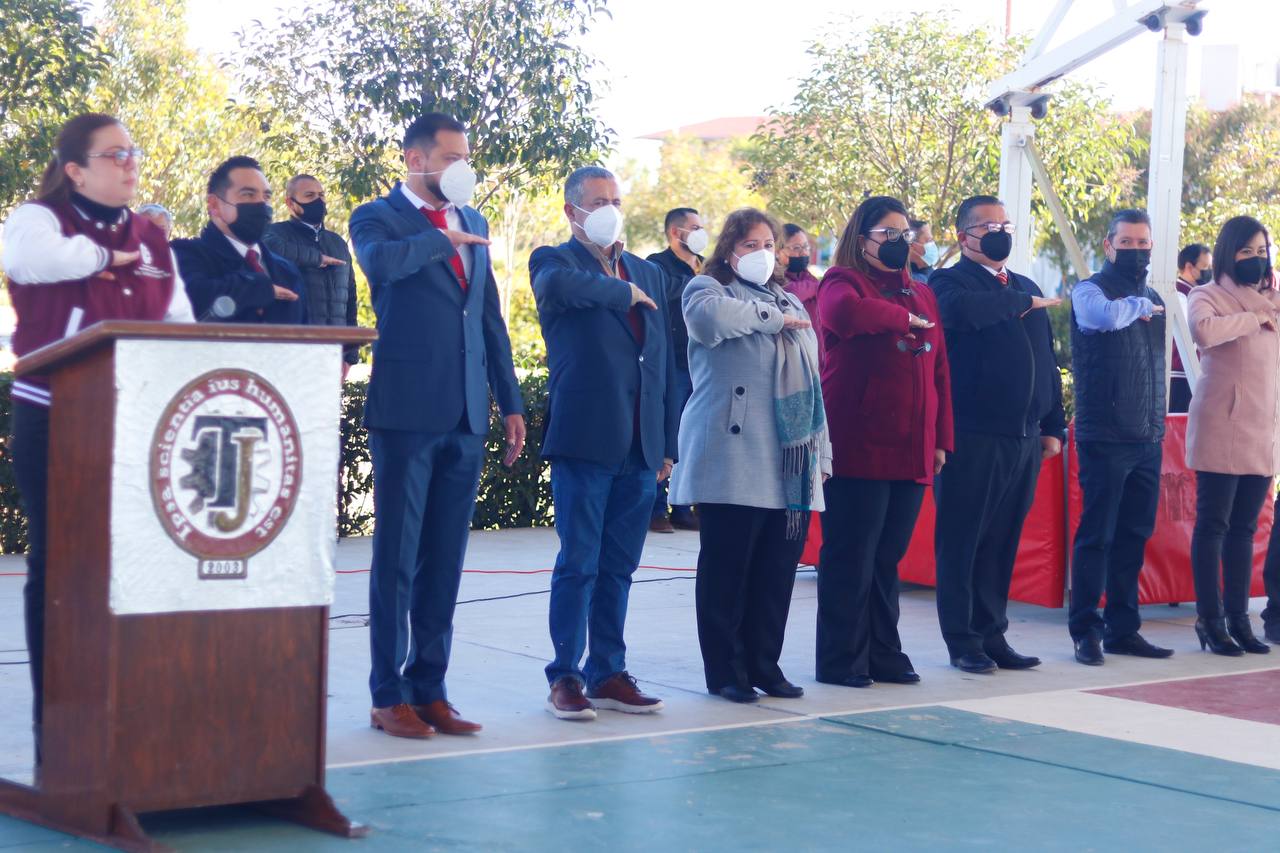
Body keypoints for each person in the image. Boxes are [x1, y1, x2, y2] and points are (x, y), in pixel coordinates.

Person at [2, 112, 194, 759]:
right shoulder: (38, 219)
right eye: (114, 154)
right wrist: (108, 256)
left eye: (132, 152)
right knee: (58, 567)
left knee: (135, 566)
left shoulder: (154, 237)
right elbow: (31, 262)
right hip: (54, 414)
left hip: (137, 420)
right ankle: (54, 723)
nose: (130, 162)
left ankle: (128, 713)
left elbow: (182, 322)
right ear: (76, 169)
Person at [349, 113, 526, 738]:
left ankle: (431, 688)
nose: (460, 167)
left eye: (464, 155)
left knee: (446, 558)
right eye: (448, 156)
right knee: (396, 558)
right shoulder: (375, 217)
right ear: (413, 159)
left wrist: (509, 400)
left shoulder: (473, 220)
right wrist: (438, 242)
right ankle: (386, 693)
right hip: (405, 408)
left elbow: (488, 317)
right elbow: (380, 267)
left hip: (465, 413)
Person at [529, 165, 679, 720]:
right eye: (597, 200)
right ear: (573, 211)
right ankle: (564, 676)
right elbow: (557, 288)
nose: (610, 208)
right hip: (587, 438)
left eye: (615, 198)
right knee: (579, 563)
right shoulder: (554, 260)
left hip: (641, 445)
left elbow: (663, 361)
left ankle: (607, 671)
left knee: (620, 565)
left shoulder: (646, 270)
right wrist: (622, 291)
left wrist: (666, 441)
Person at [669, 208, 830, 703]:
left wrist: (820, 452)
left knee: (776, 570)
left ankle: (765, 664)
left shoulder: (785, 296)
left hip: (790, 461)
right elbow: (709, 322)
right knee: (726, 569)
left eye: (768, 245)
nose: (761, 254)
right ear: (728, 250)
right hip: (733, 454)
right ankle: (725, 671)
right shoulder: (707, 289)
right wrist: (772, 319)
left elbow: (813, 383)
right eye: (749, 245)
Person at [815, 195, 953, 688]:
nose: (899, 242)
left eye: (904, 234)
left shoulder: (922, 292)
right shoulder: (841, 282)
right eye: (887, 234)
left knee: (886, 558)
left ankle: (882, 652)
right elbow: (845, 317)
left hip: (912, 446)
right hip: (860, 443)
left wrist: (941, 440)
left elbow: (939, 370)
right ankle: (840, 658)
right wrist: (900, 320)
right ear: (862, 238)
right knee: (851, 554)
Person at [930, 196, 1065, 674]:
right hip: (973, 433)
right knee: (964, 538)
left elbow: (1047, 360)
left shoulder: (1026, 285)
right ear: (963, 234)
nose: (999, 232)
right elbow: (962, 313)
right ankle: (962, 639)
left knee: (1003, 540)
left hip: (1025, 436)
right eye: (987, 225)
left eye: (1005, 223)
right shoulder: (948, 282)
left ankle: (993, 633)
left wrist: (1053, 425)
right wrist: (1020, 303)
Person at [1068, 209, 1173, 665]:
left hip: (1147, 436)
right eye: (1127, 243)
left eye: (1142, 243)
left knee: (1134, 535)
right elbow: (1106, 319)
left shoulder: (1152, 295)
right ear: (1108, 246)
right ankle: (1085, 629)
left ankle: (1123, 628)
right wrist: (1140, 307)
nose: (1136, 251)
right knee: (1097, 536)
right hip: (1105, 436)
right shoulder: (1089, 291)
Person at [1185, 216, 1280, 656]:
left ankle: (1241, 620)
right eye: (1246, 252)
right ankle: (1210, 619)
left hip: (1263, 429)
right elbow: (1204, 331)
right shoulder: (1207, 294)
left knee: (1245, 529)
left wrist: (1268, 306)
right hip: (1223, 424)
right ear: (1228, 253)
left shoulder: (1273, 299)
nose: (1256, 259)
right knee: (1213, 526)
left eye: (1261, 251)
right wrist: (1253, 315)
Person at [171, 156, 306, 324]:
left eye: (266, 197)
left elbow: (307, 337)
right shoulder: (182, 255)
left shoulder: (287, 271)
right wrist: (256, 288)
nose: (261, 204)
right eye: (248, 195)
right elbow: (194, 297)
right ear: (214, 205)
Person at [264, 174, 361, 377]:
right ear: (290, 203)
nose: (319, 201)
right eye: (309, 195)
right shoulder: (275, 234)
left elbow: (350, 301)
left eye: (322, 195)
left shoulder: (338, 243)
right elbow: (269, 246)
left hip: (332, 355)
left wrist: (349, 356)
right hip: (291, 353)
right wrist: (317, 258)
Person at [646, 206, 705, 533]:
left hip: (704, 366)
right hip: (673, 365)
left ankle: (683, 506)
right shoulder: (657, 266)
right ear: (675, 232)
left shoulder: (707, 266)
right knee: (666, 435)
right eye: (694, 227)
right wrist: (697, 282)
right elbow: (664, 292)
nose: (700, 232)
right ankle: (655, 509)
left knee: (692, 440)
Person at [1170, 243, 1212, 413]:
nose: (1210, 272)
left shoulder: (1194, 294)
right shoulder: (1179, 295)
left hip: (1191, 373)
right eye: (1206, 267)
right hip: (1180, 375)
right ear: (1189, 267)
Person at [909, 218, 939, 284]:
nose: (933, 244)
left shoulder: (931, 273)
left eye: (932, 240)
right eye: (928, 240)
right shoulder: (914, 281)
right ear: (911, 246)